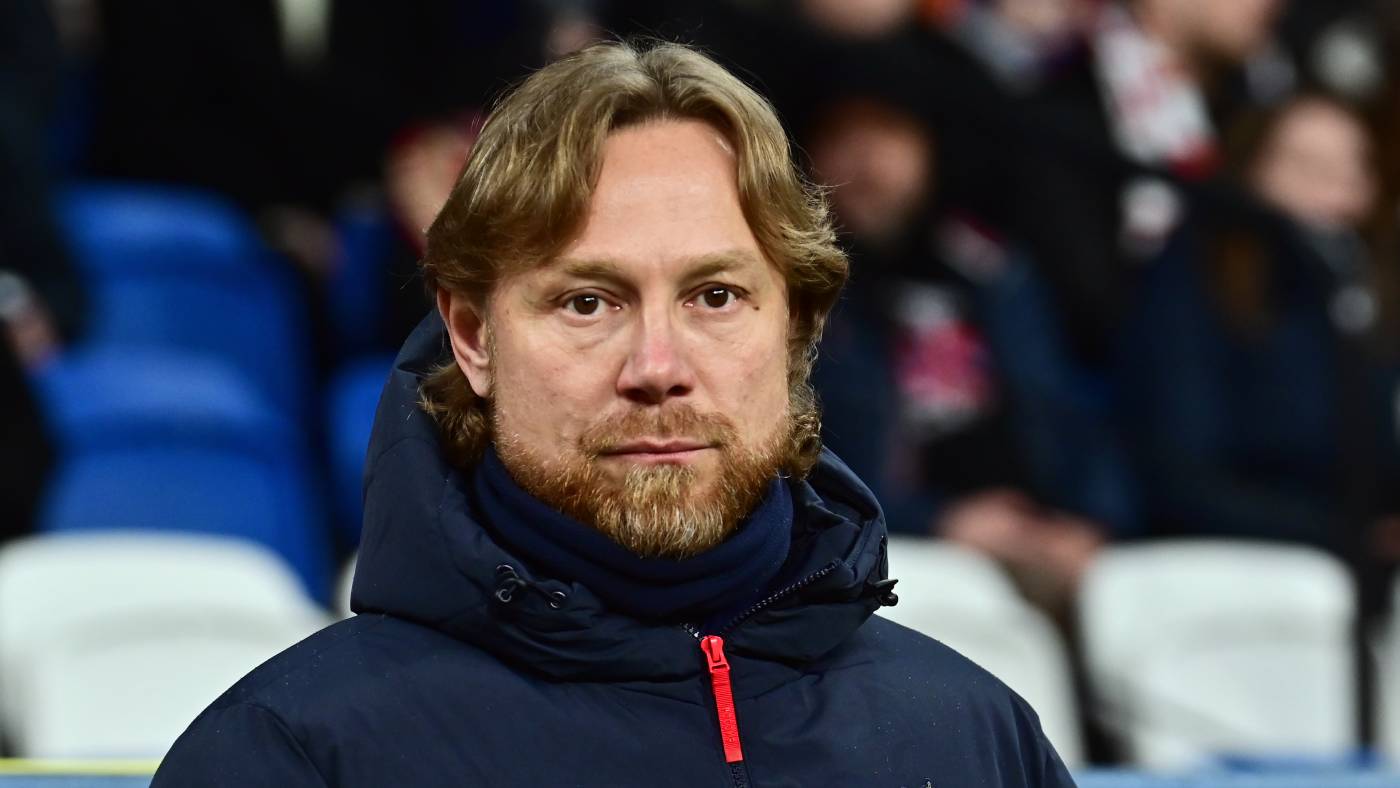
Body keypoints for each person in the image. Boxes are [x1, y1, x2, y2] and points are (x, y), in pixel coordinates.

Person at [153, 40, 1074, 786]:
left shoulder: (977, 741)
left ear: (797, 329)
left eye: (715, 296)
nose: (657, 369)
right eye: (588, 302)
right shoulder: (290, 756)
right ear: (472, 335)